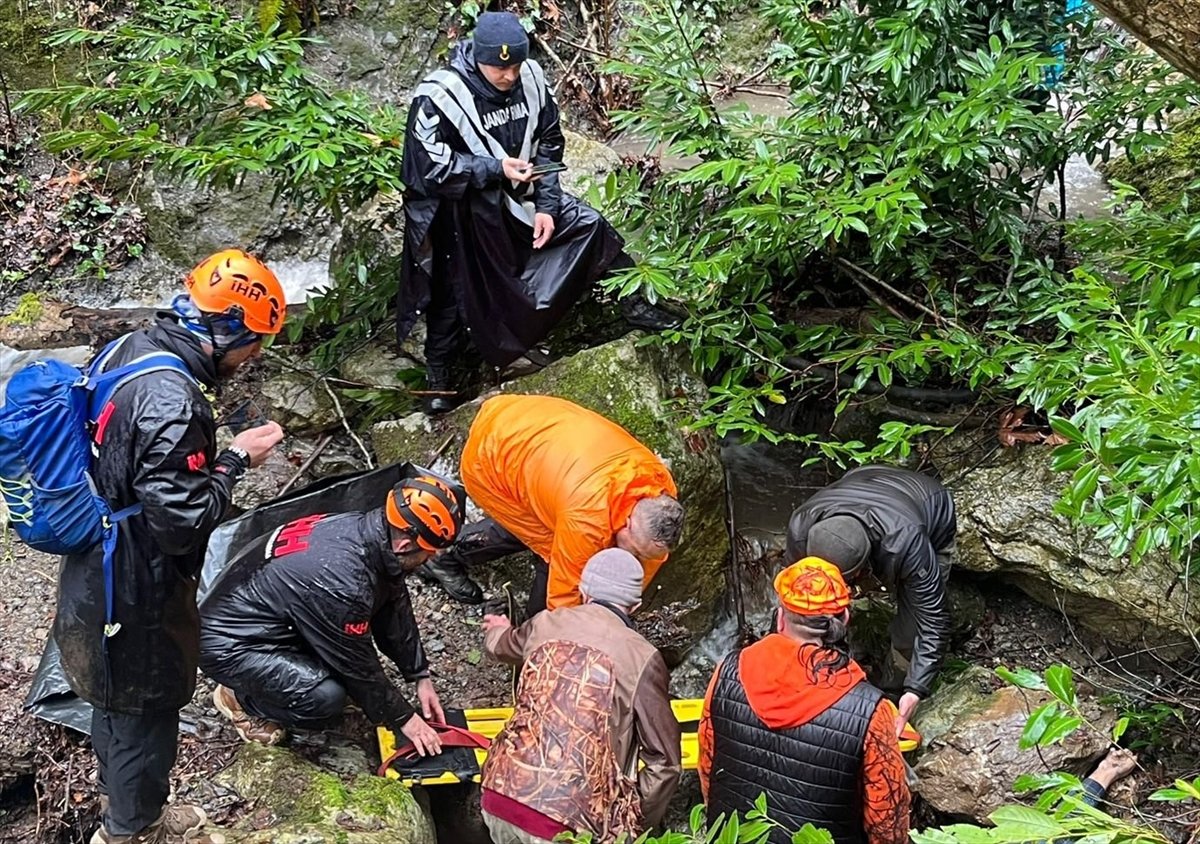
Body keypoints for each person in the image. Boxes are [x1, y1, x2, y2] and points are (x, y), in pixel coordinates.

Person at [52, 249, 287, 844]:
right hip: (136, 581)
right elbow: (182, 524)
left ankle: (127, 810)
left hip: (94, 552)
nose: (254, 354)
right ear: (222, 327)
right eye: (252, 341)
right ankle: (132, 831)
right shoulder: (173, 401)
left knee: (111, 695)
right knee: (145, 708)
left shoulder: (133, 347)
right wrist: (236, 462)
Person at [396, 11, 674, 414]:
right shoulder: (438, 97)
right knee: (455, 289)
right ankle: (441, 377)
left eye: (514, 65)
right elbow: (426, 168)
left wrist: (546, 205)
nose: (508, 75)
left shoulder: (532, 80)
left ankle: (636, 304)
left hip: (522, 193)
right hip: (462, 209)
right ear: (477, 58)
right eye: (498, 67)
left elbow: (548, 143)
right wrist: (493, 169)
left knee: (588, 226)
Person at [199, 475, 464, 757]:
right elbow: (357, 664)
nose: (432, 558)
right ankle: (240, 700)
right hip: (228, 643)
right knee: (325, 699)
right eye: (430, 552)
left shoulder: (369, 533)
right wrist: (404, 719)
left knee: (343, 679)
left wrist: (418, 674)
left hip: (270, 616)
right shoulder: (346, 582)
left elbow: (393, 604)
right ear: (405, 545)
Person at [698, 557, 910, 844]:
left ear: (780, 617)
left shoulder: (727, 672)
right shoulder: (871, 710)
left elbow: (708, 765)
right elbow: (887, 816)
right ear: (845, 619)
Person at [480, 548, 682, 844]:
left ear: (583, 589)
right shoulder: (643, 657)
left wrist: (496, 630)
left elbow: (501, 646)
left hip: (499, 795)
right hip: (567, 827)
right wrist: (635, 826)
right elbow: (665, 763)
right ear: (635, 606)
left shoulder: (545, 622)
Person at [422, 393, 684, 610]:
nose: (633, 557)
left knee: (554, 527)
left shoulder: (660, 488)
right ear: (627, 523)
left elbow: (646, 564)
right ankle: (442, 557)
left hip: (528, 421)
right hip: (492, 458)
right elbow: (563, 597)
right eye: (634, 551)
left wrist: (624, 600)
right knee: (549, 550)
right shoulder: (586, 520)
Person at [786, 465, 956, 734]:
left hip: (930, 505)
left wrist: (915, 688)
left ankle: (892, 688)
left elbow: (933, 619)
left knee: (910, 626)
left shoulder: (907, 543)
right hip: (864, 478)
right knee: (816, 609)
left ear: (864, 568)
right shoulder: (802, 527)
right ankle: (831, 672)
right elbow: (794, 601)